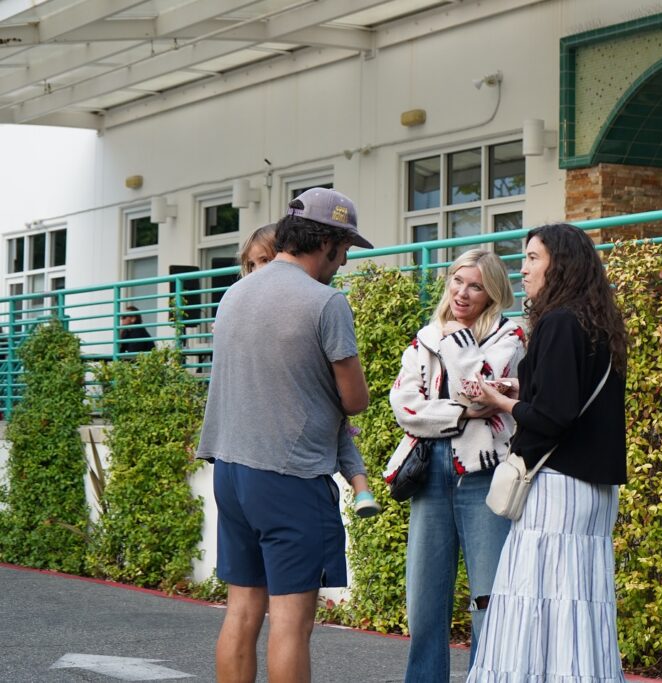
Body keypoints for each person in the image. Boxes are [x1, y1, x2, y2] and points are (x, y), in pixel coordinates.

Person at [196, 187, 374, 683]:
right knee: (292, 624)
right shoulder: (325, 301)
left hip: (231, 470)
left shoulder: (234, 293)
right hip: (290, 476)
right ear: (328, 242)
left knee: (241, 612)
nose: (344, 261)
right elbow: (355, 399)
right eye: (344, 248)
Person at [465, 223, 629, 682]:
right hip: (594, 490)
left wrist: (499, 401)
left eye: (533, 258)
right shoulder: (597, 323)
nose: (523, 268)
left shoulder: (558, 323)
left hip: (557, 488)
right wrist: (520, 390)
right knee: (579, 606)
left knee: (535, 601)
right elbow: (573, 399)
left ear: (561, 265)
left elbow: (553, 417)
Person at [383, 249, 525, 683]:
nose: (462, 293)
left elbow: (478, 388)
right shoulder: (424, 337)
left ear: (493, 293)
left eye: (475, 286)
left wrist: (457, 343)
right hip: (429, 470)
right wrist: (463, 415)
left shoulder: (511, 336)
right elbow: (405, 406)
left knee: (489, 597)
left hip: (485, 474)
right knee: (424, 597)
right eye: (457, 281)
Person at [238, 223, 381, 518]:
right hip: (293, 465)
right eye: (252, 265)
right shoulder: (323, 301)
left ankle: (362, 488)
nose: (258, 271)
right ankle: (362, 488)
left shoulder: (236, 300)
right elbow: (355, 400)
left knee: (341, 436)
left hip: (246, 467)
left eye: (264, 260)